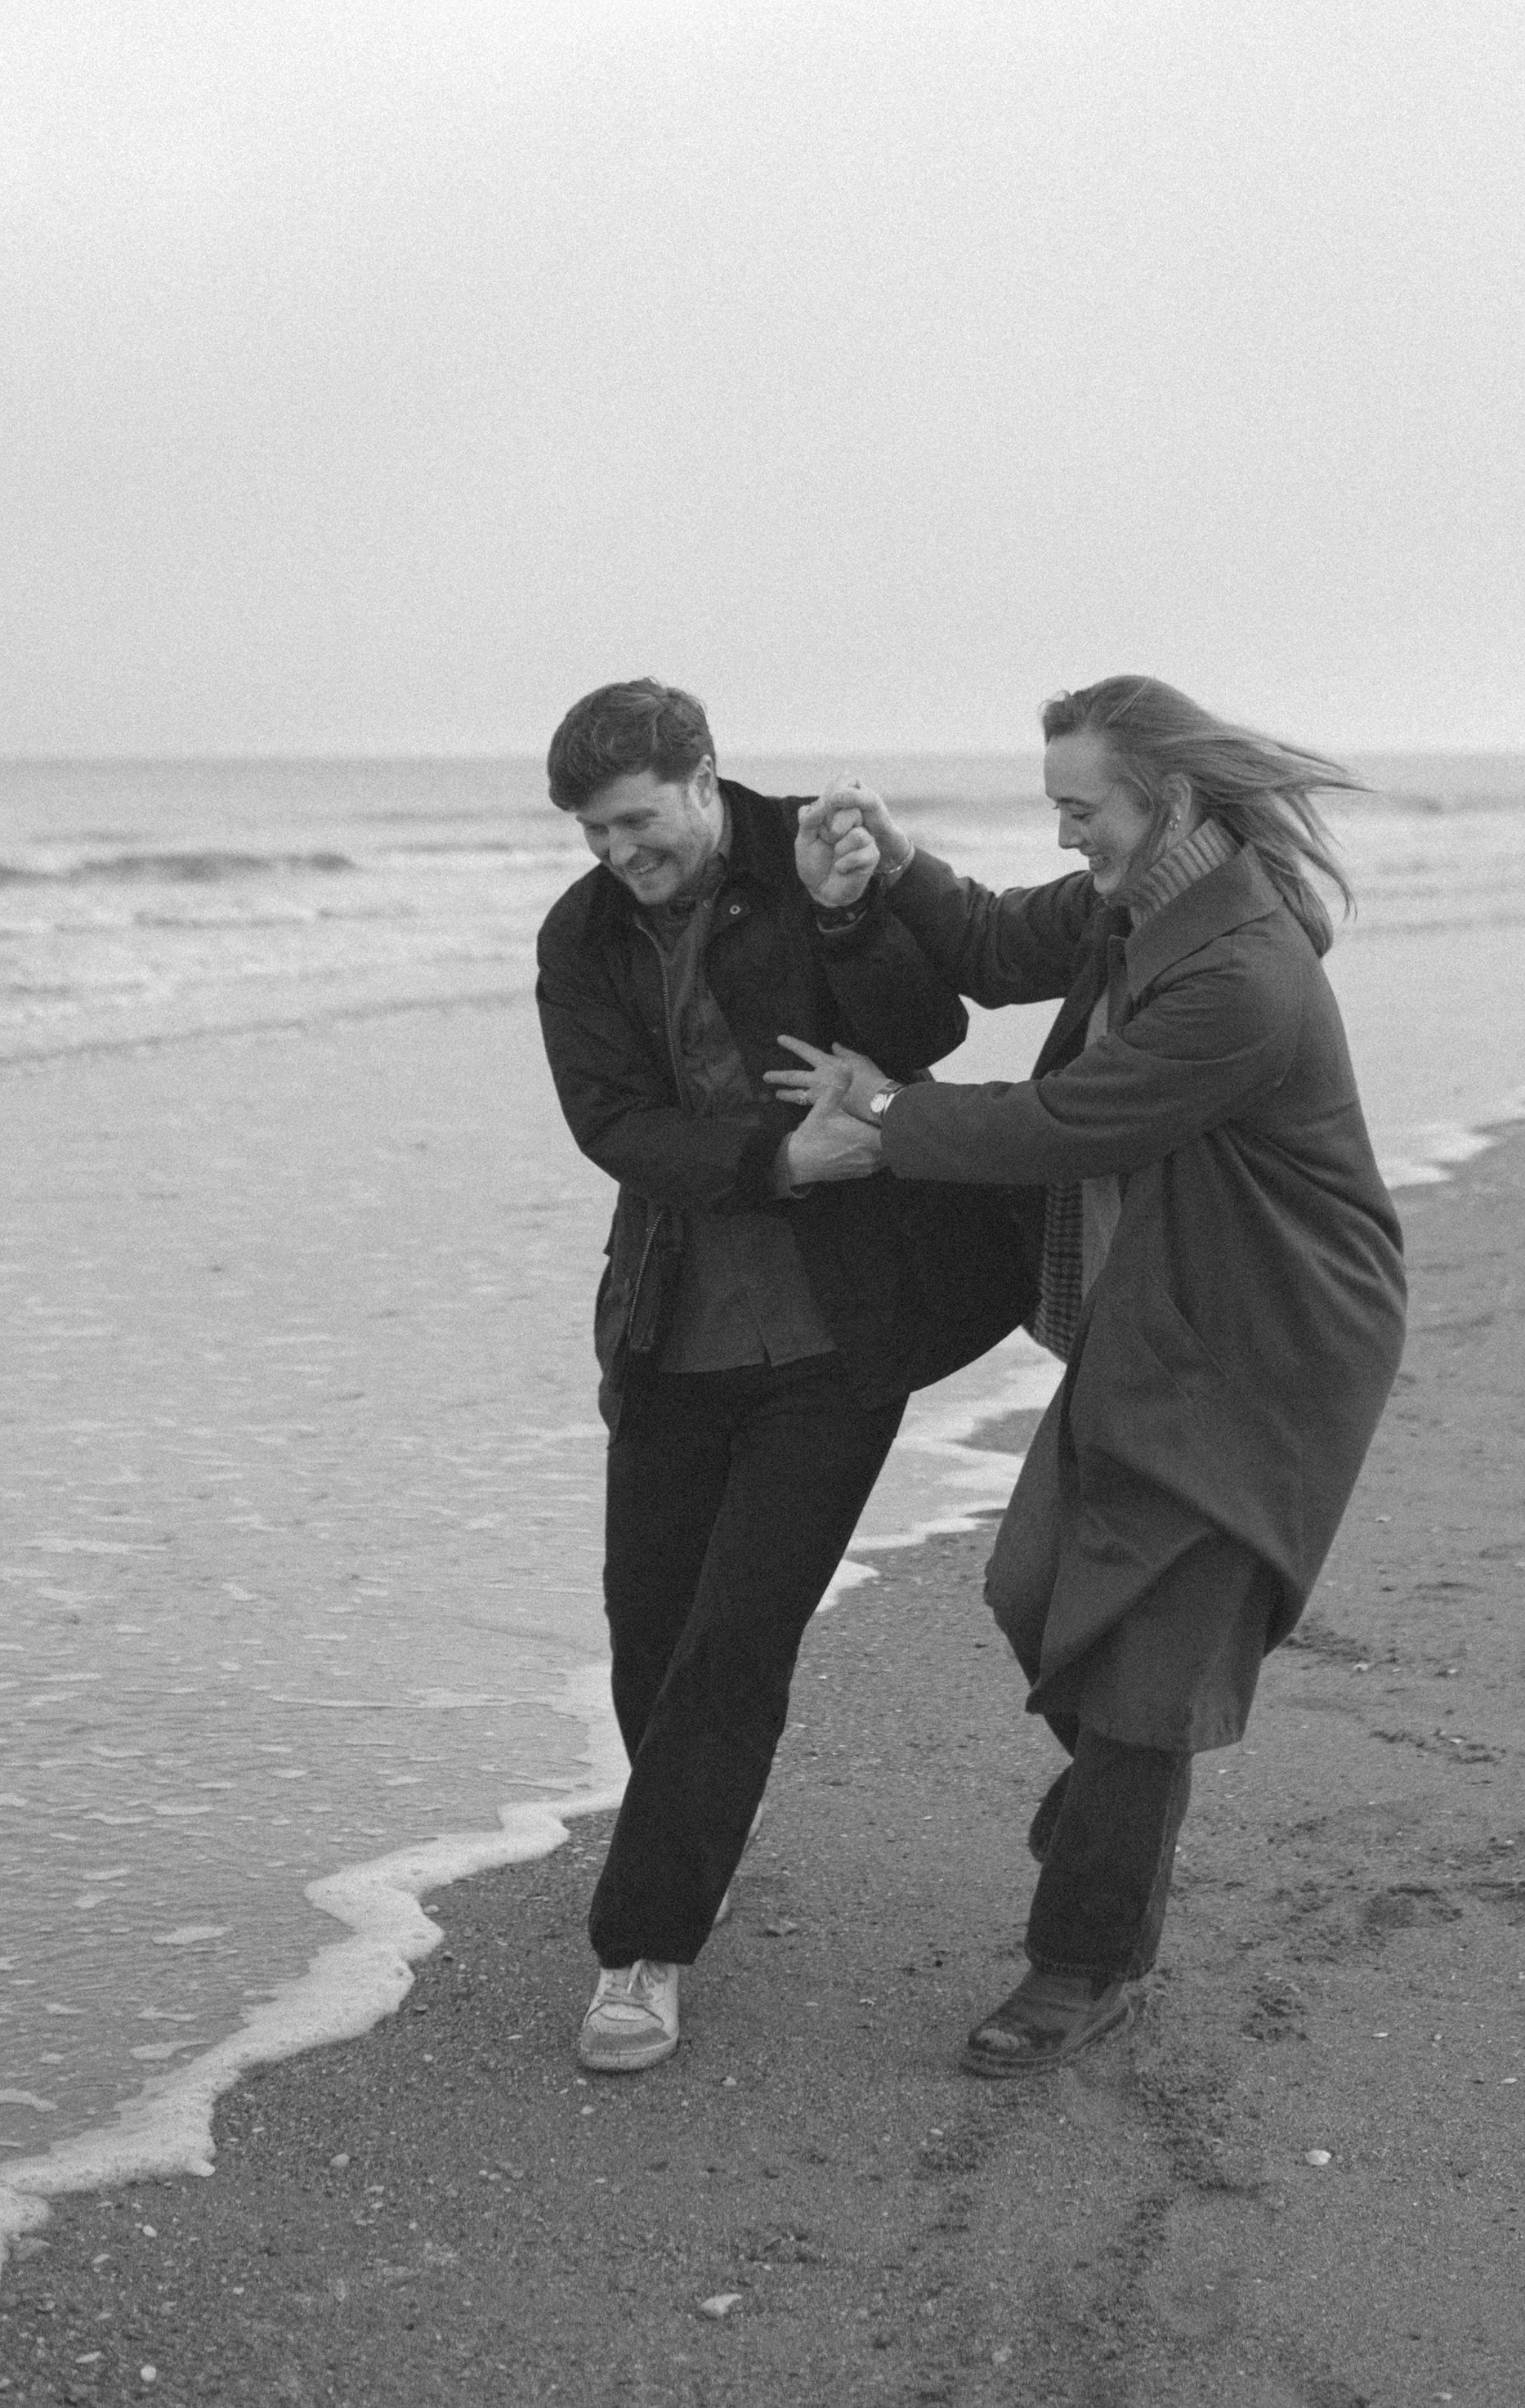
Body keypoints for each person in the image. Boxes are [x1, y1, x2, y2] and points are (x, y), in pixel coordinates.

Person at [767, 674, 1407, 2077]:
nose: (1068, 837)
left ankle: (1084, 1958)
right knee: (1033, 1589)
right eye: (1055, 807)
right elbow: (997, 945)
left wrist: (878, 1108)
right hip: (1164, 1310)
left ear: (1168, 798)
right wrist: (893, 855)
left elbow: (1067, 1123)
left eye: (1083, 809)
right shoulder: (1141, 907)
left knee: (1143, 1666)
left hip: (1273, 1333)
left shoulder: (1238, 968)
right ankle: (1128, 1801)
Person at [535, 679, 1031, 2074]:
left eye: (637, 822)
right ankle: (694, 1843)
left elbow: (925, 1035)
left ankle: (644, 1951)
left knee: (737, 1642)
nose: (620, 856)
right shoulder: (579, 937)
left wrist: (848, 917)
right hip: (670, 1327)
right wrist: (773, 1160)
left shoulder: (816, 860)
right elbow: (611, 1122)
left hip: (835, 1332)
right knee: (652, 1628)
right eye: (592, 833)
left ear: (702, 779)